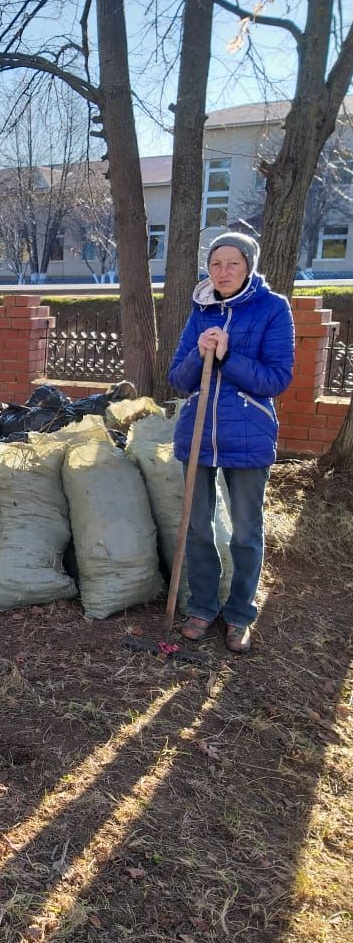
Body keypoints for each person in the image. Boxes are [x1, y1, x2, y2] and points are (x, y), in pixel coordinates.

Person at [168, 232, 294, 653]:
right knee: (198, 527)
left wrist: (227, 357)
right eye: (215, 264)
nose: (222, 272)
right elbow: (179, 380)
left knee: (245, 532)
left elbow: (277, 379)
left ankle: (240, 614)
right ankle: (202, 606)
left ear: (249, 266)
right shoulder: (200, 309)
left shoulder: (273, 309)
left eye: (232, 263)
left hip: (249, 434)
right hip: (197, 432)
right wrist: (197, 355)